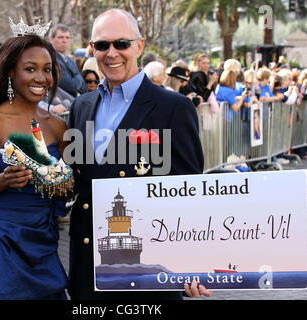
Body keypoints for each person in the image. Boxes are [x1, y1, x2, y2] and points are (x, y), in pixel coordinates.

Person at [67, 8, 210, 300]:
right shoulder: (80, 107)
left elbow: (188, 193)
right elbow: (73, 180)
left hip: (149, 275)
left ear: (139, 46)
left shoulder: (173, 107)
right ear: (92, 49)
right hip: (88, 269)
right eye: (102, 45)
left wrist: (191, 265)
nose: (111, 53)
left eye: (121, 43)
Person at [0, 34, 71, 300]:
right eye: (30, 69)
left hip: (44, 246)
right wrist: (2, 181)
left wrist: (63, 185)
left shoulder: (58, 126)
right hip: (1, 244)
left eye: (47, 69)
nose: (41, 78)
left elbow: (67, 190)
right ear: (10, 72)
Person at [49, 24, 87, 97]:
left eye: (67, 37)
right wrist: (78, 75)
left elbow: (84, 88)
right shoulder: (50, 59)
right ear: (51, 39)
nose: (64, 41)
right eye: (60, 37)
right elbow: (70, 86)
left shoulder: (71, 60)